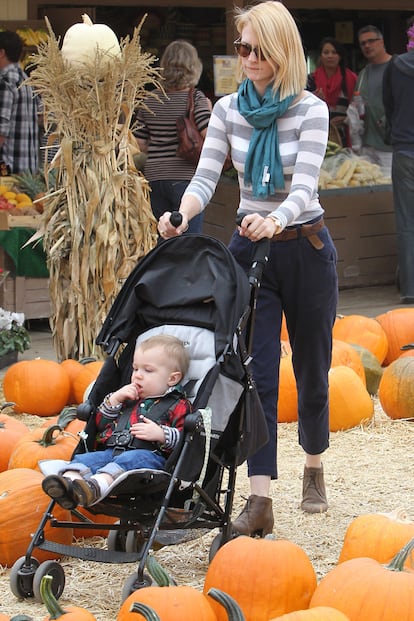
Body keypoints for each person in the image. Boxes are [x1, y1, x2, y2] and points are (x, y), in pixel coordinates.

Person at [158, 1, 338, 534]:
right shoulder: (228, 109)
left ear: (282, 50)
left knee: (313, 369)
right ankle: (260, 499)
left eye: (258, 49)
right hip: (249, 250)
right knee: (255, 373)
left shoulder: (311, 109)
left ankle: (312, 461)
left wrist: (277, 217)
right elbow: (206, 177)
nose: (248, 58)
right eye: (242, 48)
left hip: (304, 245)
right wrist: (180, 215)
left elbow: (304, 185)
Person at [42, 334, 192, 508]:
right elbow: (101, 424)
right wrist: (114, 400)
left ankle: (94, 487)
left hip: (147, 458)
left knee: (130, 459)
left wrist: (162, 434)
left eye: (147, 371)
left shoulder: (178, 405)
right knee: (84, 460)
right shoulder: (125, 398)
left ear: (172, 378)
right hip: (110, 452)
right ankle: (69, 486)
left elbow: (184, 440)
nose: (138, 376)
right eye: (135, 369)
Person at [134, 40, 212, 234]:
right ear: (193, 67)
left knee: (161, 238)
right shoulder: (196, 99)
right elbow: (210, 136)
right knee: (189, 241)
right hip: (186, 181)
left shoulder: (150, 99)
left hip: (155, 179)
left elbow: (139, 144)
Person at [383, 16, 414, 304]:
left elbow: (388, 106)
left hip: (405, 151)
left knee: (407, 221)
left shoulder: (395, 65)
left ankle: (410, 289)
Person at [355, 25, 393, 176]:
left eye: (371, 41)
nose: (367, 46)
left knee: (389, 193)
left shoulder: (397, 67)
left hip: (390, 146)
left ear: (381, 42)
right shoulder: (363, 74)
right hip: (366, 145)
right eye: (363, 43)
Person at [0, 30, 39, 174]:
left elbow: (1, 129)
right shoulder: (26, 80)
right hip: (29, 169)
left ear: (1, 53)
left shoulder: (5, 81)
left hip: (8, 168)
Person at [307, 37, 357, 147]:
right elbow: (302, 111)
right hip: (317, 137)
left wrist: (346, 119)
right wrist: (313, 100)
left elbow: (359, 109)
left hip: (345, 138)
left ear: (340, 56)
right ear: (320, 56)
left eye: (334, 52)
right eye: (326, 52)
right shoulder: (310, 81)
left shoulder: (351, 79)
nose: (330, 56)